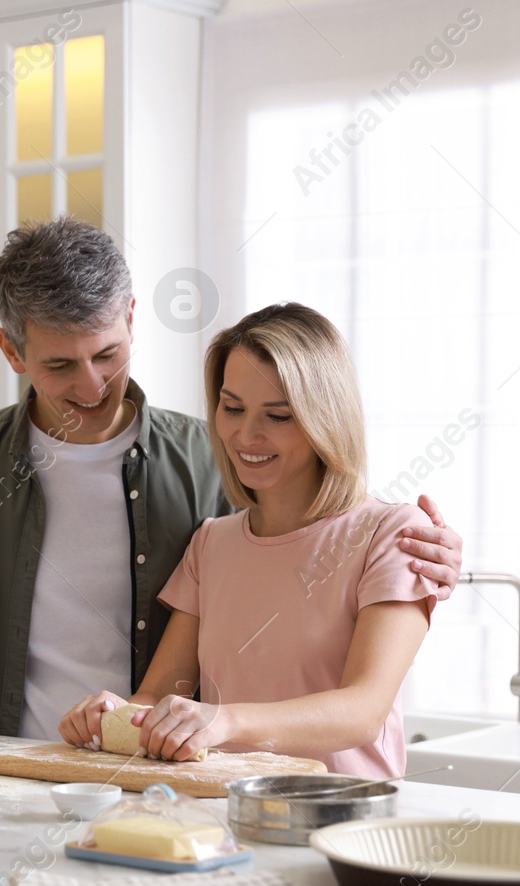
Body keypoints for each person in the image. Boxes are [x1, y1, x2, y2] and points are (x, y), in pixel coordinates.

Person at [0, 218, 463, 738]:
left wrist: (433, 554)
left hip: (150, 786)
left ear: (130, 316)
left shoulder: (214, 458)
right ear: (11, 351)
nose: (91, 385)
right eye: (60, 365)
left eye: (107, 354)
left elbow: (320, 525)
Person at [58, 304, 434, 776]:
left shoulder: (391, 535)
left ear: (326, 418)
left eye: (278, 416)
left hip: (344, 822)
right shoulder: (212, 544)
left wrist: (225, 720)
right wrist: (112, 715)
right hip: (226, 816)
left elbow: (363, 712)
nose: (246, 435)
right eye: (232, 408)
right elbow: (157, 695)